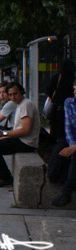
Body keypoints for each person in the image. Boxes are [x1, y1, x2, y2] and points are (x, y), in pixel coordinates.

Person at [0, 82, 41, 188]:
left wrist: (4, 133)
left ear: (22, 93)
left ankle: (5, 178)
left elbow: (26, 130)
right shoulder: (20, 105)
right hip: (21, 139)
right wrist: (6, 136)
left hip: (26, 142)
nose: (13, 97)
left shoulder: (26, 105)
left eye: (16, 94)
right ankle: (4, 176)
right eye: (11, 95)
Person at [48, 78, 76, 207]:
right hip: (73, 140)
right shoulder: (69, 102)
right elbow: (68, 127)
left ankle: (66, 193)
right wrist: (72, 145)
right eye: (75, 89)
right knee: (60, 151)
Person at [45, 59, 76, 142]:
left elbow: (49, 89)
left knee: (57, 134)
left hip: (58, 110)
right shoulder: (73, 79)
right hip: (71, 109)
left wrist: (55, 97)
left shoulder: (58, 77)